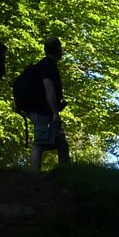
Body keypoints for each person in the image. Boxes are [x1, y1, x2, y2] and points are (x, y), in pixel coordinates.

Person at [26, 37, 71, 171]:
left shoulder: (44, 65)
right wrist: (55, 112)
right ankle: (34, 175)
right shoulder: (48, 65)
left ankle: (66, 174)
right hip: (42, 111)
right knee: (40, 143)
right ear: (58, 50)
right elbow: (49, 88)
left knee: (62, 143)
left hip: (42, 111)